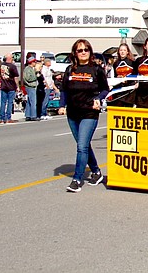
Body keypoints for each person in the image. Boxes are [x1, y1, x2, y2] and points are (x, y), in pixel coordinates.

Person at [58, 39, 109, 193]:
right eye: (80, 50)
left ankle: (77, 179)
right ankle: (96, 171)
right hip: (73, 113)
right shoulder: (69, 70)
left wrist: (98, 99)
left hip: (89, 112)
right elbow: (64, 90)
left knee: (81, 147)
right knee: (84, 145)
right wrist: (61, 106)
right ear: (75, 53)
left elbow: (105, 89)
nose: (83, 52)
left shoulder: (96, 69)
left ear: (90, 52)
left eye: (86, 49)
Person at [0, 53, 20, 124]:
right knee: (10, 102)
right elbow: (15, 77)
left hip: (3, 86)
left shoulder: (1, 65)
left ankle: (1, 118)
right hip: (11, 86)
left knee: (3, 102)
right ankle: (8, 118)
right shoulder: (13, 66)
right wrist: (17, 86)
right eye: (12, 58)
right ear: (10, 58)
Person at [22, 56, 40, 121]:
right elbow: (28, 78)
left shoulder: (32, 69)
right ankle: (33, 115)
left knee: (29, 102)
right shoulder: (27, 69)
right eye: (34, 62)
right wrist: (36, 76)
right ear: (31, 62)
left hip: (32, 86)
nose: (35, 63)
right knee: (33, 102)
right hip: (30, 86)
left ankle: (28, 115)